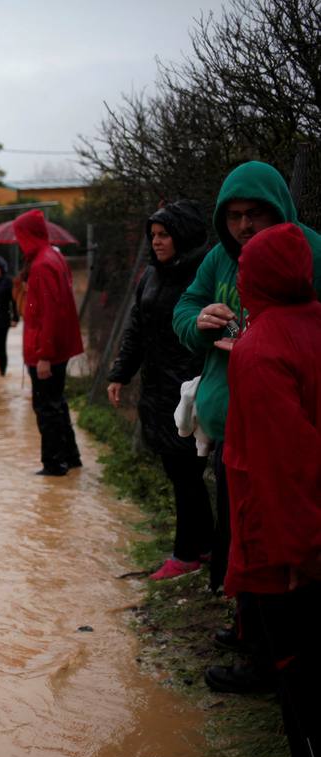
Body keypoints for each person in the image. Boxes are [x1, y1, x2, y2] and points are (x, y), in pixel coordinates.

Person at [171, 160, 321, 692]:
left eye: (253, 213)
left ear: (276, 208)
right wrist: (199, 322)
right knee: (241, 544)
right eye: (233, 215)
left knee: (275, 550)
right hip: (232, 433)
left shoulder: (308, 251)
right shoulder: (218, 258)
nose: (243, 226)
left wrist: (263, 339)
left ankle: (272, 661)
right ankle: (250, 634)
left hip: (280, 439)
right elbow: (184, 309)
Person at [221, 222, 321, 757]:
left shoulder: (261, 352)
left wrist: (296, 557)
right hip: (306, 527)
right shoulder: (314, 326)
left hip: (287, 543)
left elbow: (286, 464)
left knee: (299, 671)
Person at [107, 201, 213, 580]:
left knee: (187, 471)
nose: (157, 242)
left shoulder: (203, 274)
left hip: (192, 389)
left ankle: (186, 554)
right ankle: (204, 545)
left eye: (164, 235)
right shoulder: (151, 276)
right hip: (158, 389)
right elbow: (136, 329)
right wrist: (120, 373)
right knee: (179, 471)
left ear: (182, 235)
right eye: (153, 236)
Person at [16, 209, 84, 475]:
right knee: (57, 403)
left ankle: (54, 465)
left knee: (46, 408)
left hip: (45, 350)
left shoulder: (43, 264)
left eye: (20, 236)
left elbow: (50, 313)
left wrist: (44, 354)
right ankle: (71, 457)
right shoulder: (53, 256)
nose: (19, 242)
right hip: (55, 348)